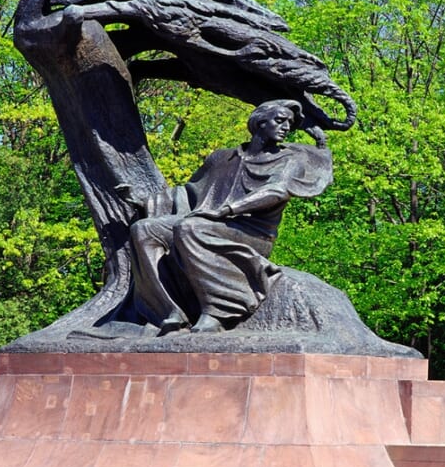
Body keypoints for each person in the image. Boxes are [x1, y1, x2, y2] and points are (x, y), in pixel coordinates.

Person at [120, 99, 332, 334]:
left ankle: (217, 312)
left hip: (252, 232)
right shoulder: (222, 158)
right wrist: (144, 201)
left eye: (289, 124)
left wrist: (229, 209)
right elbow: (189, 192)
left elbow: (276, 191)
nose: (286, 128)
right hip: (209, 222)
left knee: (189, 228)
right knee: (144, 229)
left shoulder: (289, 160)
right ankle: (169, 311)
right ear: (260, 122)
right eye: (280, 120)